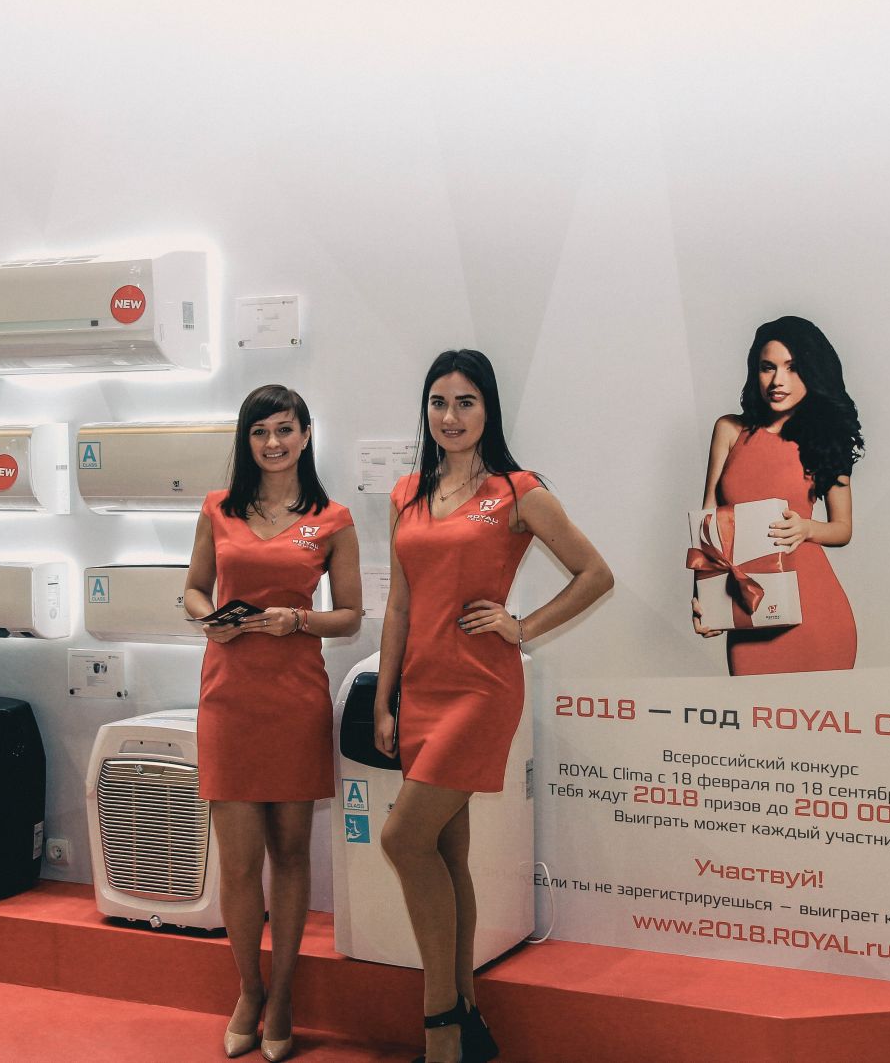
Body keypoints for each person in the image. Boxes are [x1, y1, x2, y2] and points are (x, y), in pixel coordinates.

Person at [374, 350, 613, 1063]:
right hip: (420, 689)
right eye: (439, 402)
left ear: (489, 410)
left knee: (402, 840)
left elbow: (595, 574)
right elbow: (400, 605)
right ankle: (469, 1017)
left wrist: (522, 626)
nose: (450, 416)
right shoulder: (406, 493)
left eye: (466, 402)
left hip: (481, 689)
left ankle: (440, 1028)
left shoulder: (517, 491)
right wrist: (385, 698)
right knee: (446, 854)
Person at [184, 384, 361, 1062]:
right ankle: (249, 990)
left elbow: (351, 615)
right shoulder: (218, 509)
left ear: (306, 435)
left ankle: (283, 995)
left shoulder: (332, 518)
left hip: (294, 700)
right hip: (228, 698)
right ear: (247, 439)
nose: (273, 443)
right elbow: (194, 589)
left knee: (290, 854)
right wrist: (207, 619)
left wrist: (300, 620)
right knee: (238, 865)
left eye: (284, 429)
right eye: (260, 432)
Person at [693, 315, 864, 674]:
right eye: (767, 367)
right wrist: (705, 599)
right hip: (751, 605)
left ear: (812, 372)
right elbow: (707, 524)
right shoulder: (729, 430)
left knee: (822, 711)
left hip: (816, 612)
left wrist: (806, 528)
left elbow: (843, 529)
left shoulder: (826, 440)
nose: (777, 380)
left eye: (792, 367)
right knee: (754, 709)